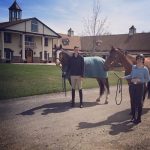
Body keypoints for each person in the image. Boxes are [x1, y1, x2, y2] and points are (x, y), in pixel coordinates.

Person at [121, 54, 150, 124]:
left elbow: (148, 79)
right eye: (138, 59)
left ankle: (138, 118)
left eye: (141, 59)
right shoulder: (134, 67)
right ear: (136, 60)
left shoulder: (145, 69)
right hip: (132, 86)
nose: (139, 60)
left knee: (139, 102)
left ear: (143, 60)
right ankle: (133, 117)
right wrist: (124, 77)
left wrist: (140, 80)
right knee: (133, 101)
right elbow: (131, 75)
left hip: (140, 86)